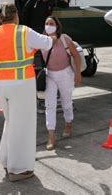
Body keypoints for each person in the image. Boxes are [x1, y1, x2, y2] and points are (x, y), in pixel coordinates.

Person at [0, 2, 54, 182]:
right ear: (16, 15)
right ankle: (19, 169)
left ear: (0, 17)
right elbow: (48, 43)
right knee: (24, 126)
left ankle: (6, 159)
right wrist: (49, 33)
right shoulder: (24, 32)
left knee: (11, 121)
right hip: (21, 84)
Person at [41, 16, 82, 150]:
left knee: (67, 101)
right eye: (46, 23)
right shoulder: (42, 40)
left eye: (51, 23)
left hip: (65, 74)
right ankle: (51, 135)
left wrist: (77, 73)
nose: (48, 25)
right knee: (50, 105)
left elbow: (75, 55)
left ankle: (68, 122)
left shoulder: (65, 38)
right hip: (50, 75)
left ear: (57, 26)